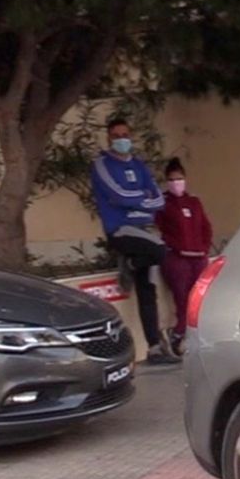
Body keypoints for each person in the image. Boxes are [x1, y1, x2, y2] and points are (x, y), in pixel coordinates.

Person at [90, 119, 175, 364]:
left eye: (125, 134)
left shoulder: (138, 164)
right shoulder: (102, 164)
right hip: (122, 229)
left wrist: (138, 200)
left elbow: (158, 199)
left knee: (147, 291)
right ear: (109, 139)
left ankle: (155, 348)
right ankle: (131, 264)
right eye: (116, 135)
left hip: (144, 229)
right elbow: (116, 195)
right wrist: (142, 198)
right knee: (161, 250)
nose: (121, 139)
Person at [155, 157, 213, 356]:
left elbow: (206, 227)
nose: (176, 183)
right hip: (177, 259)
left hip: (198, 257)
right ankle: (178, 336)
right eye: (172, 179)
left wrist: (203, 248)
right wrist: (175, 247)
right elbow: (160, 229)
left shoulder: (194, 202)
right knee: (182, 300)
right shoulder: (162, 204)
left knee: (200, 300)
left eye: (179, 179)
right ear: (167, 181)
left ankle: (195, 338)